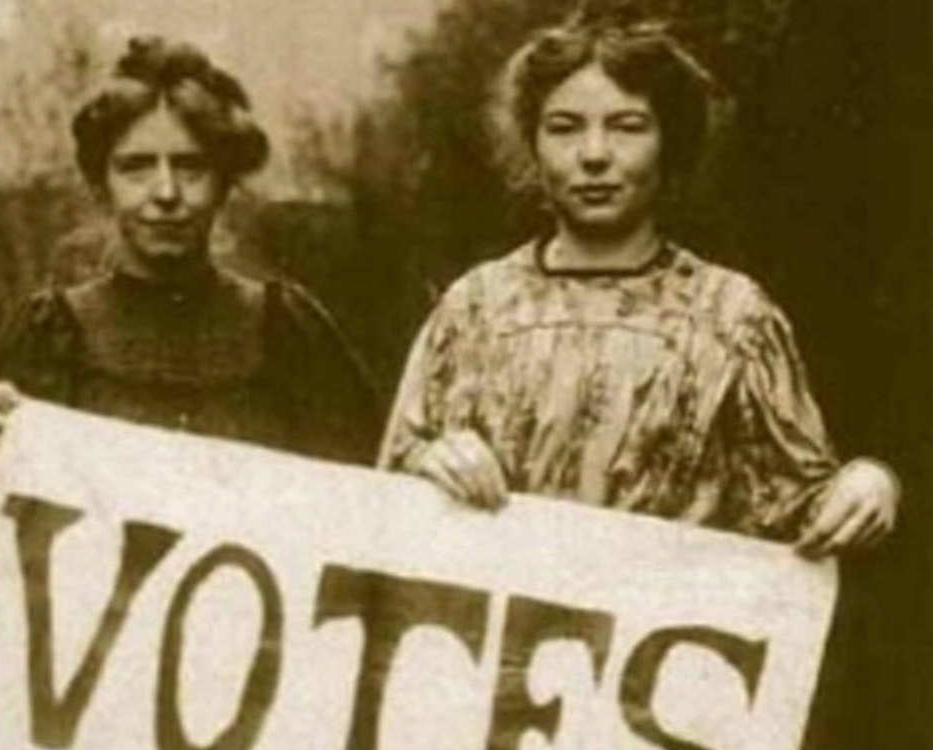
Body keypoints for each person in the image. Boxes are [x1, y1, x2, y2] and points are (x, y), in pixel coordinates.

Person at [379, 15, 899, 553]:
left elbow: (797, 508)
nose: (594, 154)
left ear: (670, 143)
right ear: (532, 145)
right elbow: (384, 502)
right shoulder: (474, 310)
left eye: (627, 126)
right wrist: (429, 462)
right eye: (564, 127)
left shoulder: (732, 318)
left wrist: (866, 483)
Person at [0, 36, 381, 622]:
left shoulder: (288, 331)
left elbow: (375, 528)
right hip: (94, 670)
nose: (165, 193)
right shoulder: (52, 337)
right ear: (102, 185)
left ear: (224, 184)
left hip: (261, 664)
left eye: (191, 167)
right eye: (136, 167)